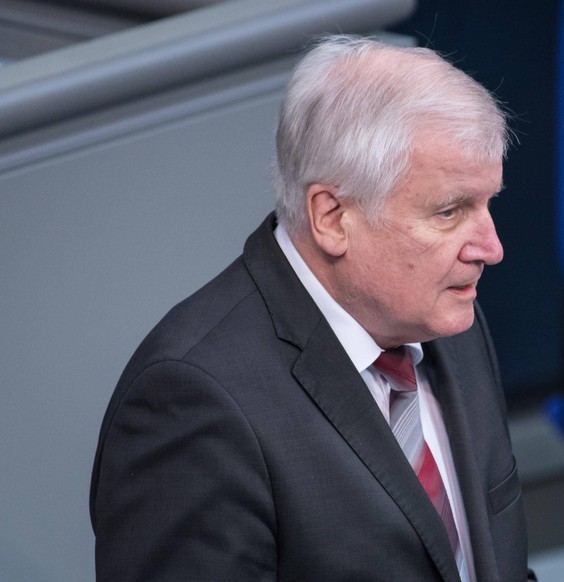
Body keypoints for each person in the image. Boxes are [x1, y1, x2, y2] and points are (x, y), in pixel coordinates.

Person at [90, 34, 534, 581]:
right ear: (331, 217)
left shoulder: (449, 318)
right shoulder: (192, 400)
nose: (491, 249)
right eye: (449, 212)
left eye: (488, 202)